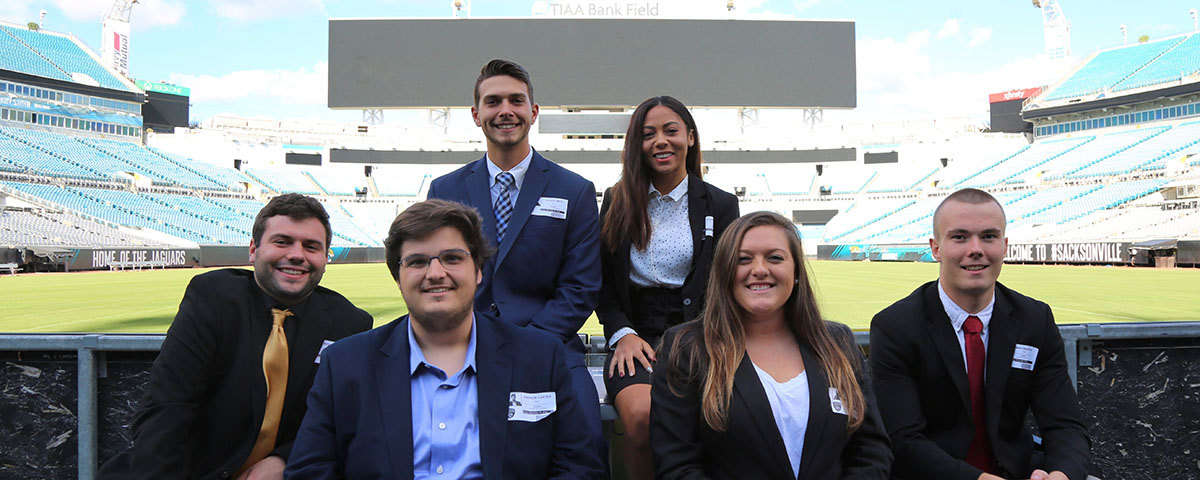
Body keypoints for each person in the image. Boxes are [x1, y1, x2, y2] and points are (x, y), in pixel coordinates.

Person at [285, 199, 604, 479]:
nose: (435, 272)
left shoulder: (540, 358)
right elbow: (310, 470)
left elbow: (580, 467)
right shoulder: (344, 364)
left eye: (452, 258)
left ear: (479, 271)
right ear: (398, 277)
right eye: (418, 261)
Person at [99, 193, 373, 480]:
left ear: (325, 257)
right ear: (254, 250)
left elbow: (343, 421)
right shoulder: (214, 298)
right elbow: (168, 408)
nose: (296, 254)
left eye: (311, 246)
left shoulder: (348, 324)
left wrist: (284, 460)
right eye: (282, 242)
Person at [425, 59, 604, 454]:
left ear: (533, 112)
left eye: (516, 101)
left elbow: (581, 286)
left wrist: (525, 344)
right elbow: (436, 275)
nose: (505, 110)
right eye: (493, 101)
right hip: (461, 346)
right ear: (476, 115)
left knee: (587, 439)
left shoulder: (573, 190)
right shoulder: (445, 188)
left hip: (550, 345)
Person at [650, 211, 892, 480]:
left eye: (775, 257)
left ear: (797, 271)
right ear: (725, 272)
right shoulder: (687, 349)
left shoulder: (837, 343)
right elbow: (678, 466)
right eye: (743, 259)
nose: (760, 269)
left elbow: (872, 450)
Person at [869, 188, 1091, 480]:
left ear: (1004, 245)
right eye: (959, 237)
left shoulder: (1035, 319)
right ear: (935, 248)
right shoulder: (896, 326)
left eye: (988, 236)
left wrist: (1060, 475)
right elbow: (902, 440)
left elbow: (1066, 425)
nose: (976, 249)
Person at [597, 95, 739, 479]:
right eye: (648, 134)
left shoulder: (721, 204)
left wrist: (706, 337)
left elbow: (726, 283)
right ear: (637, 146)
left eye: (670, 130)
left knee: (716, 419)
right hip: (636, 339)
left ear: (690, 138)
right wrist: (622, 334)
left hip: (701, 334)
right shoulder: (616, 200)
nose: (660, 141)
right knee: (641, 421)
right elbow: (604, 283)